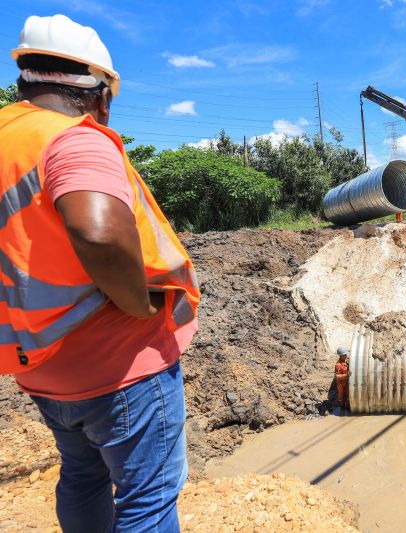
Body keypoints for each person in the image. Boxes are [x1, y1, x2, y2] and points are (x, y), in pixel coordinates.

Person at [1, 15, 200, 532]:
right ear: (101, 94)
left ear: (26, 79)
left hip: (39, 361)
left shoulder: (7, 139)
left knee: (82, 476)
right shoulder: (75, 139)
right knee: (148, 500)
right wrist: (137, 302)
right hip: (119, 363)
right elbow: (99, 232)